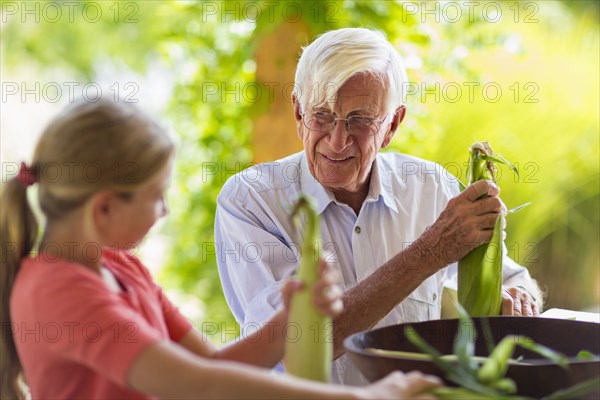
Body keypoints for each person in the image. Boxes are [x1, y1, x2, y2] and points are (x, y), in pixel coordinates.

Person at [0, 99, 442, 399]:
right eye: (157, 195)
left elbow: (211, 364)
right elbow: (195, 384)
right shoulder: (58, 290)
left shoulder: (120, 268)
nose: (166, 209)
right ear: (104, 209)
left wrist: (288, 323)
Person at [214, 27, 543, 385]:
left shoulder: (429, 185)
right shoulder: (251, 200)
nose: (337, 142)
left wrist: (519, 299)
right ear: (297, 112)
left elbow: (513, 280)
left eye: (360, 120)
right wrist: (431, 251)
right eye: (321, 115)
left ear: (392, 125)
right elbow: (295, 344)